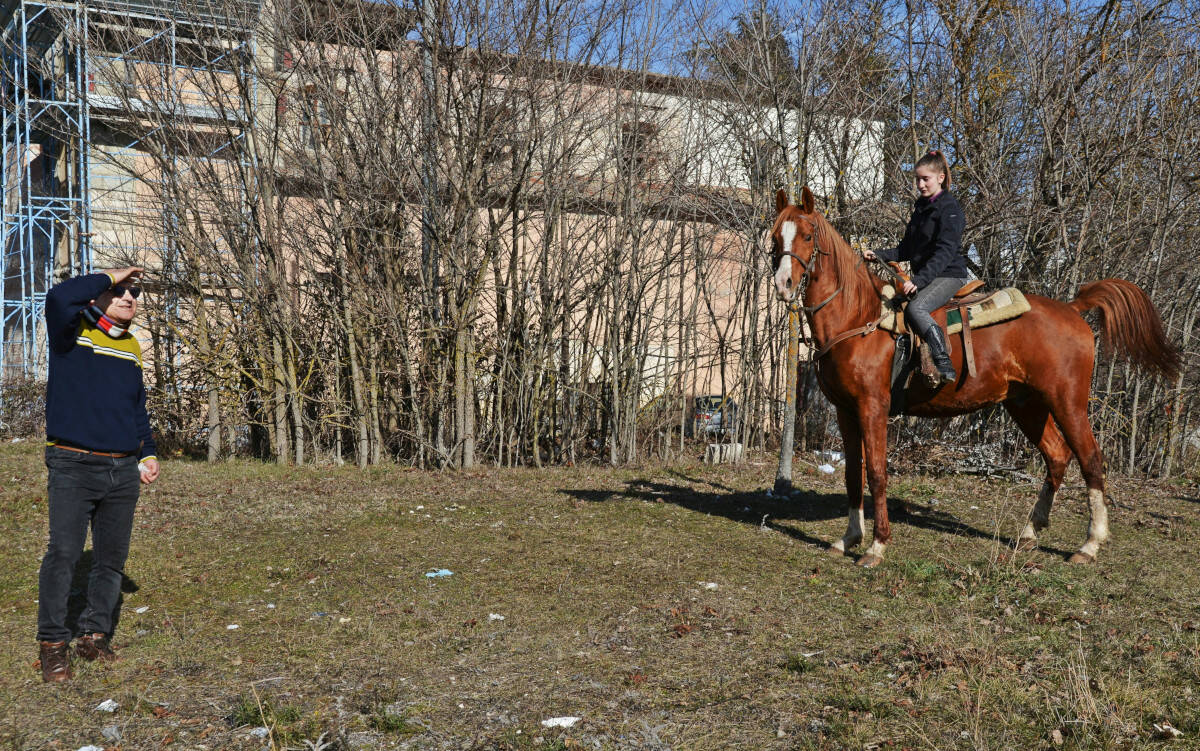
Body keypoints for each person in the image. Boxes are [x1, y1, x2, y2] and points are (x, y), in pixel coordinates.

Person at [36, 266, 160, 683]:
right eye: (120, 291)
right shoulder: (71, 334)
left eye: (135, 292)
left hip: (123, 468)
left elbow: (136, 407)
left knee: (110, 561)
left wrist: (148, 453)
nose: (130, 297)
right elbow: (58, 297)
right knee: (65, 554)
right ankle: (53, 646)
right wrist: (110, 274)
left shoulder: (132, 347)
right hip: (73, 463)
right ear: (100, 296)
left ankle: (94, 636)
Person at [864, 150, 971, 385]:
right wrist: (878, 254)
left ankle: (942, 360)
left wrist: (919, 281)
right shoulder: (921, 209)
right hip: (927, 277)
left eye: (926, 179)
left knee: (917, 309)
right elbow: (907, 250)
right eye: (918, 179)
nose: (920, 184)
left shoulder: (949, 209)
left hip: (949, 275)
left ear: (940, 178)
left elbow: (945, 252)